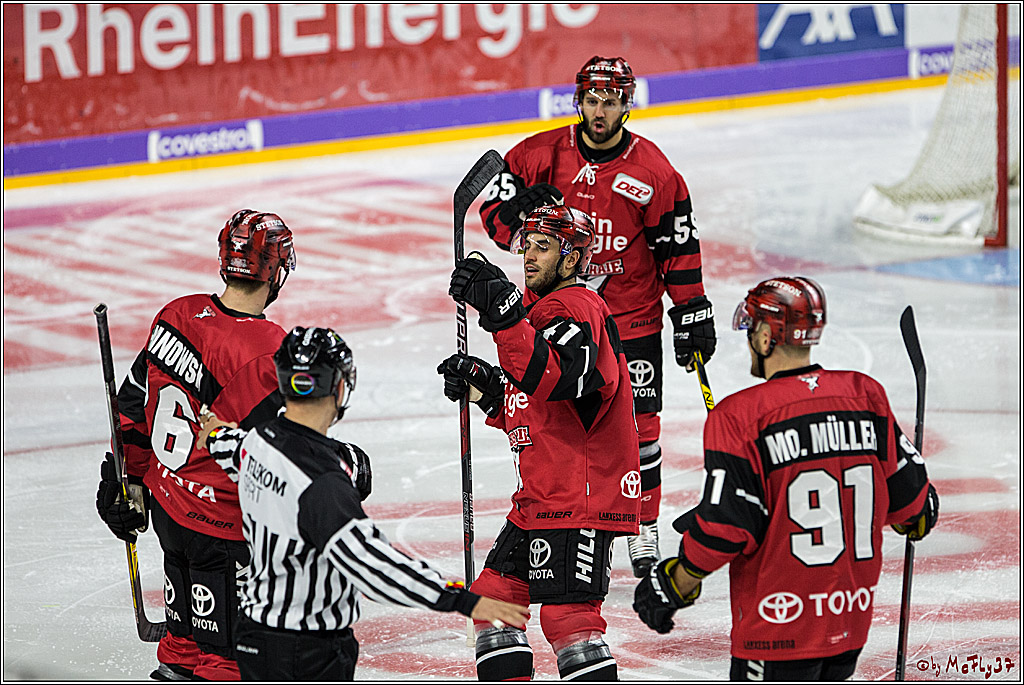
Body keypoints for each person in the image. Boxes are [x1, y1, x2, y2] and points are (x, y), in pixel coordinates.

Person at [632, 276, 940, 681]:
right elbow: (914, 513)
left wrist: (674, 582)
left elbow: (727, 528)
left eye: (752, 330)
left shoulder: (740, 416)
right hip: (848, 627)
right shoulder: (866, 396)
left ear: (765, 336)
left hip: (776, 634)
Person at [478, 55, 716, 577]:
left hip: (631, 320)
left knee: (642, 430)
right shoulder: (539, 154)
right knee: (551, 421)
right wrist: (519, 213)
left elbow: (677, 245)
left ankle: (644, 528)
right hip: (557, 317)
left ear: (626, 104)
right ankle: (567, 516)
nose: (600, 111)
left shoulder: (652, 170)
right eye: (592, 100)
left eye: (611, 101)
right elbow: (493, 216)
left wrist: (692, 309)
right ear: (578, 101)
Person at [197, 326, 531, 681]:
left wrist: (214, 431)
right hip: (305, 652)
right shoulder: (321, 482)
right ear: (339, 386)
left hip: (254, 638)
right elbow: (372, 566)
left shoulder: (259, 442)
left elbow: (229, 445)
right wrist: (466, 601)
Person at [438, 204, 641, 680]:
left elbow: (566, 378)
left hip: (579, 497)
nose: (529, 255)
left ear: (571, 260)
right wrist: (488, 388)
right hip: (544, 498)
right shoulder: (544, 312)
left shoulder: (574, 306)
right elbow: (539, 408)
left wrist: (504, 314)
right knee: (493, 606)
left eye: (543, 247)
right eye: (526, 244)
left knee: (570, 621)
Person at [94, 209, 296, 681]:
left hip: (168, 509)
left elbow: (131, 408)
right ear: (276, 270)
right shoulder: (268, 350)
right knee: (230, 657)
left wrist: (123, 481)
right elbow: (280, 457)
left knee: (183, 642)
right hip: (223, 530)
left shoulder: (175, 314)